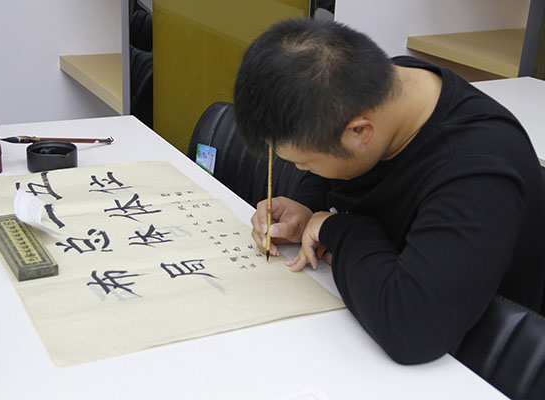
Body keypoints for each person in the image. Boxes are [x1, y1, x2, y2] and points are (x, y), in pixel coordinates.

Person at [233, 18, 545, 365]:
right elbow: (337, 165)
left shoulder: (478, 174)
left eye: (305, 163)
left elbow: (412, 332)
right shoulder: (378, 88)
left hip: (480, 365)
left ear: (360, 132)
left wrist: (336, 229)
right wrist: (307, 206)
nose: (302, 170)